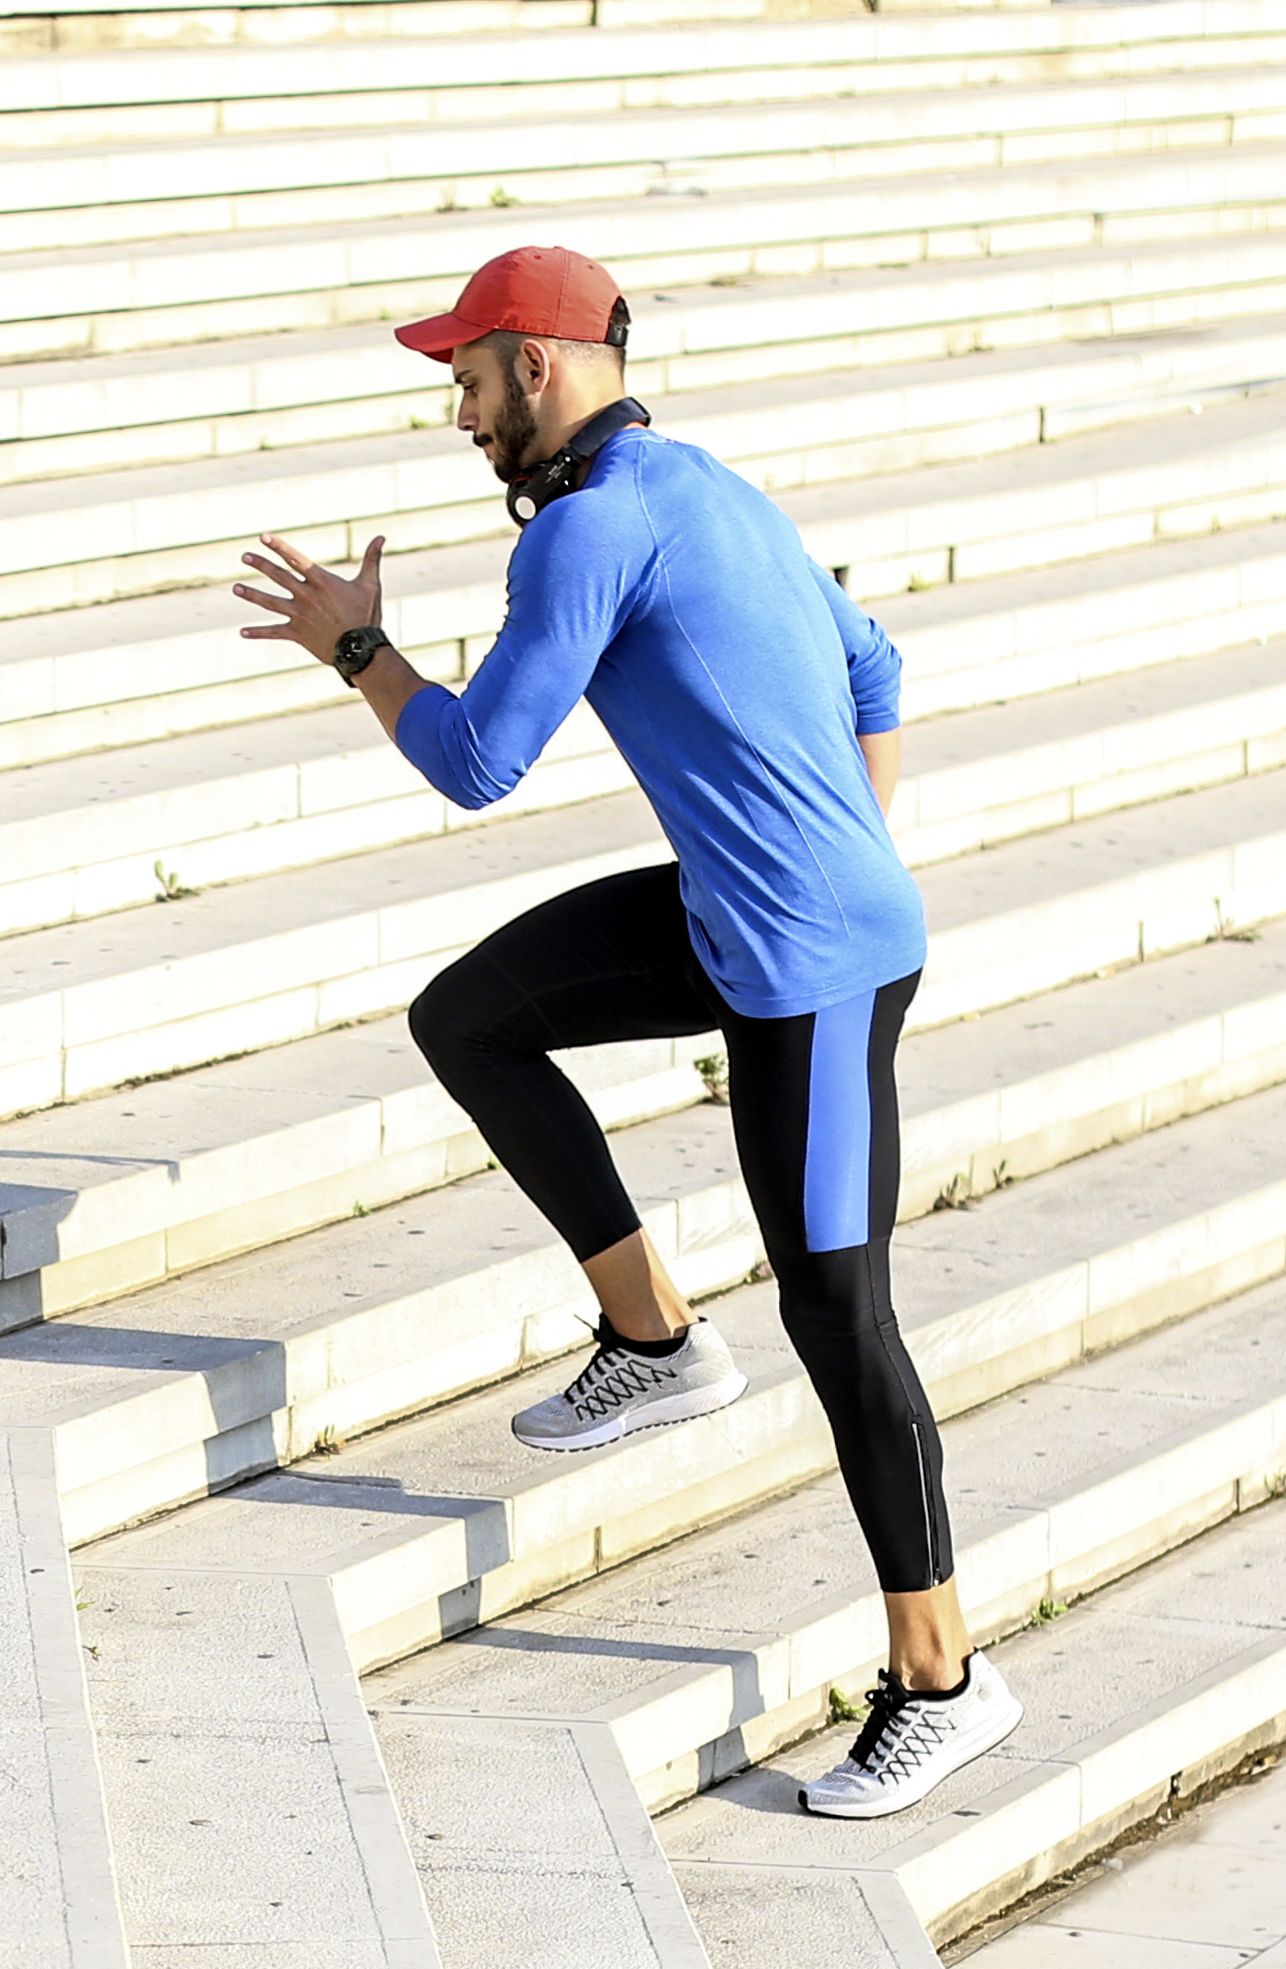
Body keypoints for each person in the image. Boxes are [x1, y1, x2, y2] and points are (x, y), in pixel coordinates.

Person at [231, 243, 1017, 1821]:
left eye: (464, 378)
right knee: (472, 1018)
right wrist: (817, 849)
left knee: (840, 1317)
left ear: (537, 363)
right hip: (752, 920)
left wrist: (355, 646)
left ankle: (943, 1679)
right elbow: (876, 666)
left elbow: (472, 764)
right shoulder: (708, 484)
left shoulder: (587, 531)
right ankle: (652, 1335)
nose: (455, 413)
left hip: (813, 969)